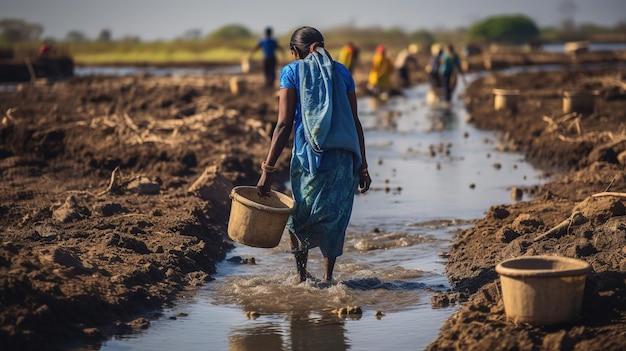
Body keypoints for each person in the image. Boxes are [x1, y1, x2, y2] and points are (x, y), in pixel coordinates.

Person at [256, 26, 371, 285]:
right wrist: (363, 167)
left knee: (300, 217)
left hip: (310, 157)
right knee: (335, 217)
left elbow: (284, 124)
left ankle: (301, 277)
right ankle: (328, 278)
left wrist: (268, 170)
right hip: (344, 158)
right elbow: (355, 121)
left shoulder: (291, 72)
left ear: (296, 52)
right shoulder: (342, 72)